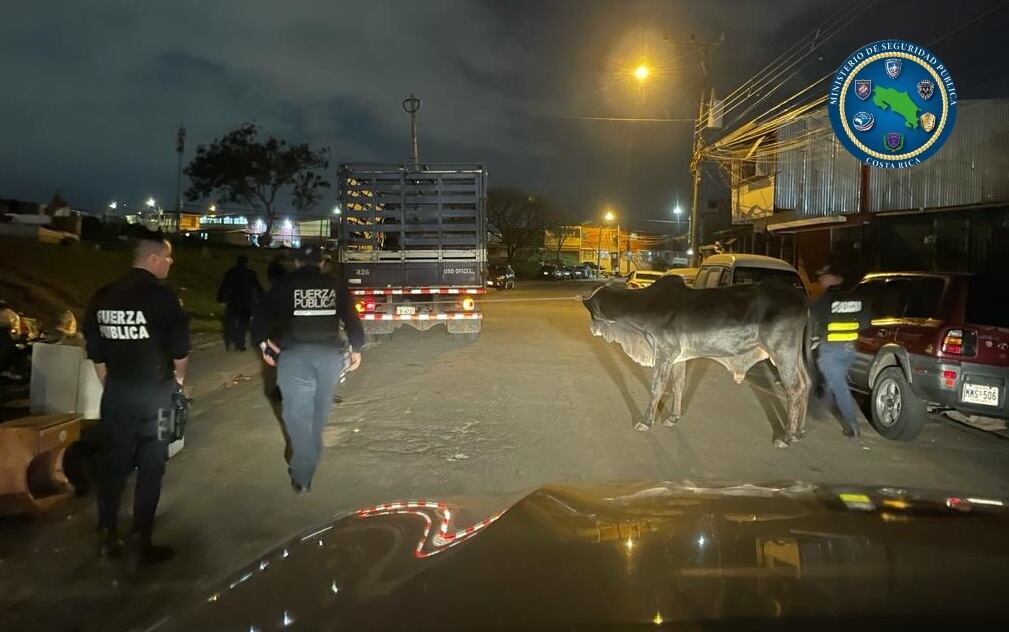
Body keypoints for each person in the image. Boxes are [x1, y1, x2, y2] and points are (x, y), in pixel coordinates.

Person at [82, 229, 190, 563]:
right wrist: (179, 383)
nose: (170, 264)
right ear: (154, 259)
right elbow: (180, 351)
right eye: (168, 258)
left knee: (114, 465)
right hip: (155, 396)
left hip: (116, 394)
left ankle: (106, 534)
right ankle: (140, 541)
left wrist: (113, 388)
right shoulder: (162, 297)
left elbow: (97, 354)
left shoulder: (104, 295)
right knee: (151, 466)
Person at [252, 245, 363, 493]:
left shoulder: (284, 285)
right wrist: (356, 349)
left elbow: (260, 317)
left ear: (298, 263)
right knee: (318, 414)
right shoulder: (336, 285)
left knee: (297, 415)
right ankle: (306, 462)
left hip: (294, 358)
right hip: (328, 358)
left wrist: (265, 347)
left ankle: (302, 475)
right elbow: (352, 319)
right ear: (322, 263)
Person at [810, 264, 866, 438]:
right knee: (832, 381)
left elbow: (812, 318)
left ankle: (851, 425)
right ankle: (821, 409)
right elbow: (866, 321)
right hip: (849, 350)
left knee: (839, 387)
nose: (821, 281)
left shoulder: (825, 300)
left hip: (831, 351)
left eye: (824, 277)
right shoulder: (855, 298)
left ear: (835, 279)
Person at [217, 254, 263, 351]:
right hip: (245, 302)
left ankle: (229, 341)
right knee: (243, 324)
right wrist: (262, 298)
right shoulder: (250, 273)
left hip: (233, 300)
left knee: (231, 322)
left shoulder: (231, 272)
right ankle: (239, 344)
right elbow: (257, 287)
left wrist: (220, 298)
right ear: (246, 263)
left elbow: (224, 286)